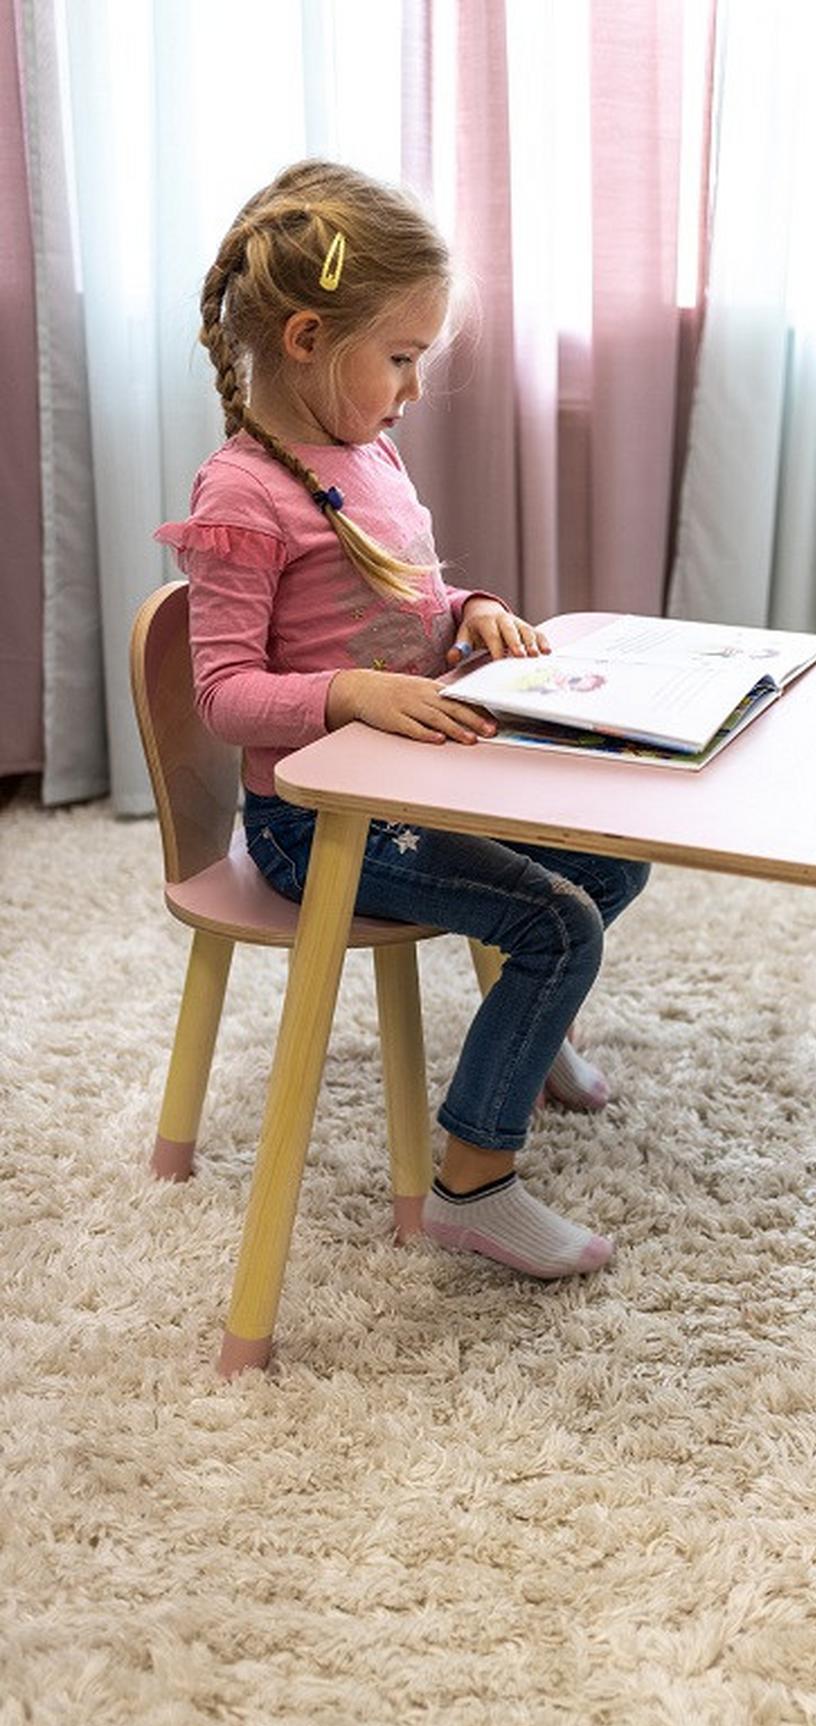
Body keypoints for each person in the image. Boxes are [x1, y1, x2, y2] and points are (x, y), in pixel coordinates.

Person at [156, 160, 649, 1279]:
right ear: (306, 339)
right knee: (559, 924)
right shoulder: (242, 493)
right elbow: (224, 693)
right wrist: (351, 693)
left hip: (416, 784)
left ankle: (526, 1036)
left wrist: (470, 611)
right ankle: (473, 1186)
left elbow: (401, 604)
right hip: (318, 822)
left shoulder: (367, 449)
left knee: (613, 859)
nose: (415, 388)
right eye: (400, 358)